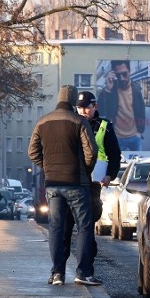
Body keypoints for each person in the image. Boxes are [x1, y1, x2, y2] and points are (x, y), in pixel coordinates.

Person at [28, 85, 101, 287]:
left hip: (52, 184)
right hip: (76, 183)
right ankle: (83, 273)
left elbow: (32, 152)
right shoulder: (79, 121)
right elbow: (91, 151)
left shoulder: (42, 122)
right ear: (72, 101)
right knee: (84, 227)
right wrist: (84, 170)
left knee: (56, 228)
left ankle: (57, 273)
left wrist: (49, 167)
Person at [62, 90, 121, 262]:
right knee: (66, 227)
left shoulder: (104, 126)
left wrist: (110, 175)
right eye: (79, 108)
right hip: (72, 180)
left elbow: (114, 155)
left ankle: (87, 265)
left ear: (95, 106)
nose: (82, 112)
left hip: (93, 183)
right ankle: (60, 267)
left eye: (86, 108)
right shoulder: (72, 123)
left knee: (87, 225)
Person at [97, 60, 146, 151]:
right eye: (118, 75)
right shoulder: (111, 90)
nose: (122, 78)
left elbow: (141, 111)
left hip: (135, 137)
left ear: (130, 71)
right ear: (114, 74)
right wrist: (108, 90)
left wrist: (139, 132)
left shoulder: (136, 90)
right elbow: (101, 111)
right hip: (117, 137)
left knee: (138, 164)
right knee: (116, 164)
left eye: (124, 74)